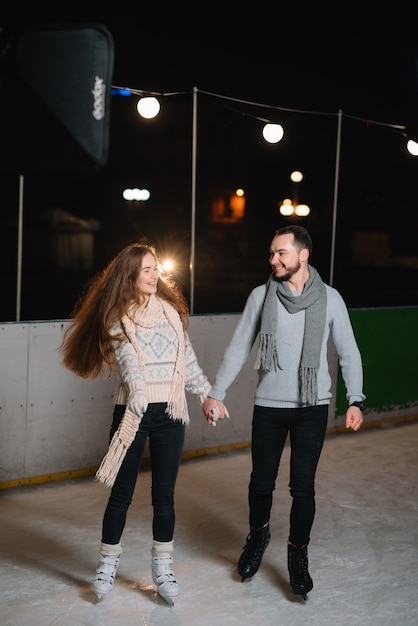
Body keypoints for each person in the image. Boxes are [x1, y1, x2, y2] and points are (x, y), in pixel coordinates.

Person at [202, 224, 365, 601]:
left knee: (302, 488)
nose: (272, 259)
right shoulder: (261, 296)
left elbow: (349, 351)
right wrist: (216, 392)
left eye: (280, 253)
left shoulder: (331, 299)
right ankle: (257, 537)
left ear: (303, 255)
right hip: (269, 406)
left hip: (312, 408)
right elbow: (238, 347)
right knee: (261, 483)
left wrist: (355, 399)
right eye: (271, 253)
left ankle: (297, 555)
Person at [60, 243, 222, 605]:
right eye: (147, 270)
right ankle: (107, 563)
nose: (154, 275)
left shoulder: (170, 312)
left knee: (164, 496)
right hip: (133, 412)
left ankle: (162, 567)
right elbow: (128, 359)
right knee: (121, 495)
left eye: (155, 269)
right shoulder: (118, 316)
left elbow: (188, 363)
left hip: (171, 414)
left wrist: (207, 395)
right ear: (130, 275)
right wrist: (136, 391)